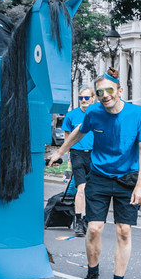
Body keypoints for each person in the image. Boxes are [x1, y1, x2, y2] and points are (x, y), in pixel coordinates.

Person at [49, 67, 141, 279]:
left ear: (120, 91)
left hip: (127, 178)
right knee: (94, 229)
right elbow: (79, 131)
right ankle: (92, 274)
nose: (105, 95)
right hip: (100, 176)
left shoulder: (137, 114)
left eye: (109, 90)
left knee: (124, 231)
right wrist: (61, 152)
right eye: (100, 92)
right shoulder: (94, 111)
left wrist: (140, 186)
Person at [60, 87, 96, 236]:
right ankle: (79, 222)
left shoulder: (98, 115)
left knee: (92, 190)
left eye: (86, 98)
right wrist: (68, 155)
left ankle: (88, 219)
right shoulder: (71, 115)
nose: (83, 101)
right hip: (77, 154)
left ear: (93, 98)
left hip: (94, 154)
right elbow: (67, 136)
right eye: (81, 98)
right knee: (81, 188)